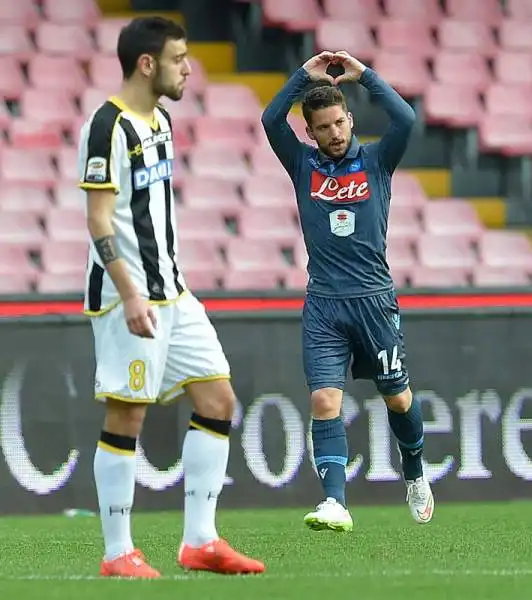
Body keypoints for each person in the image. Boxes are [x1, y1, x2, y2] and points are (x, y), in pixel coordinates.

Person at [77, 16, 265, 578]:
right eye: (180, 58)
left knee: (218, 400)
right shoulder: (107, 126)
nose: (188, 68)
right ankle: (117, 553)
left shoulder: (160, 119)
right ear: (147, 63)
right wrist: (132, 294)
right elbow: (98, 219)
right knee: (127, 414)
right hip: (126, 295)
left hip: (174, 292)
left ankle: (200, 542)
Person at [261, 51, 434, 532]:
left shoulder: (377, 161)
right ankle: (335, 502)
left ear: (350, 119)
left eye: (339, 122)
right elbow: (270, 118)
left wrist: (364, 76)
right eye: (323, 127)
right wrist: (301, 77)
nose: (334, 133)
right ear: (311, 133)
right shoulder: (302, 166)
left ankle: (415, 472)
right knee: (323, 401)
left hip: (374, 300)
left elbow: (405, 118)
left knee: (398, 399)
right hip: (324, 305)